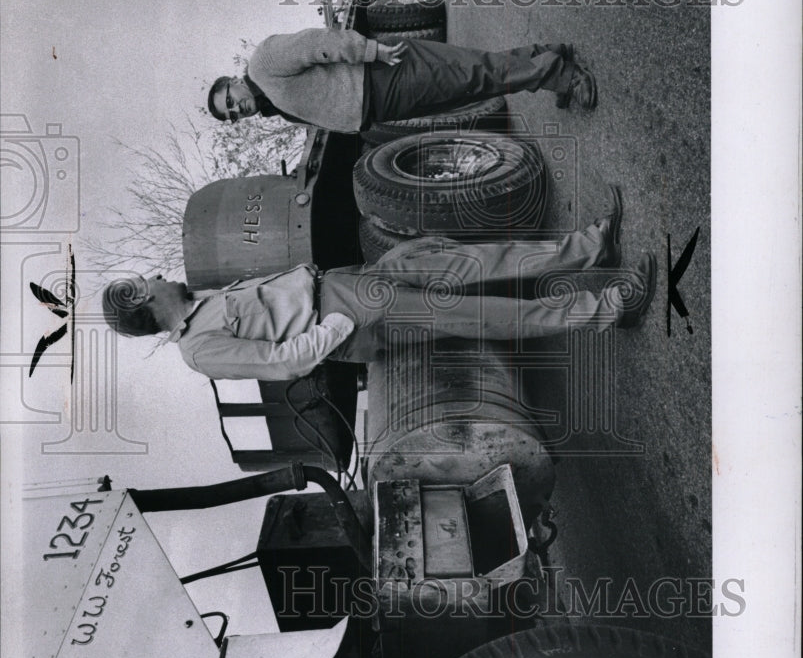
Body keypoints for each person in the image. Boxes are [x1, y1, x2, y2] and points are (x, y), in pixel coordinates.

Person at [102, 187, 656, 384]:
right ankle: (611, 308)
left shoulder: (206, 303)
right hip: (350, 320)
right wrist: (344, 321)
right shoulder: (200, 351)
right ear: (143, 301)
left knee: (468, 262)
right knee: (482, 314)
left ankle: (588, 249)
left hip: (344, 285)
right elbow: (284, 361)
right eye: (143, 281)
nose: (155, 274)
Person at [205, 28, 597, 134]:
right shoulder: (274, 104)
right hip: (383, 103)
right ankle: (549, 55)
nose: (238, 109)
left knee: (473, 74)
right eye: (233, 116)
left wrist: (373, 52)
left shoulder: (263, 63)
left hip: (383, 73)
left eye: (230, 100)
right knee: (475, 79)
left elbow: (318, 43)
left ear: (231, 81)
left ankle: (563, 75)